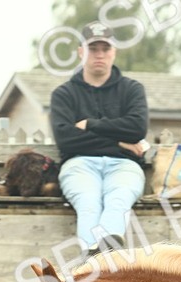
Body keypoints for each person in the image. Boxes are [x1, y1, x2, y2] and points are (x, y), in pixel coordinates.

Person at [50, 22, 150, 255]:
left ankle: (97, 264)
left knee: (119, 200)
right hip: (79, 164)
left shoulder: (132, 89)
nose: (100, 54)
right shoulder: (64, 94)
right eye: (93, 48)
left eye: (105, 48)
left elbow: (137, 128)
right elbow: (66, 139)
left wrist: (90, 125)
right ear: (81, 51)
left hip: (124, 165)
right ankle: (100, 265)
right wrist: (119, 143)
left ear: (114, 52)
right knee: (88, 202)